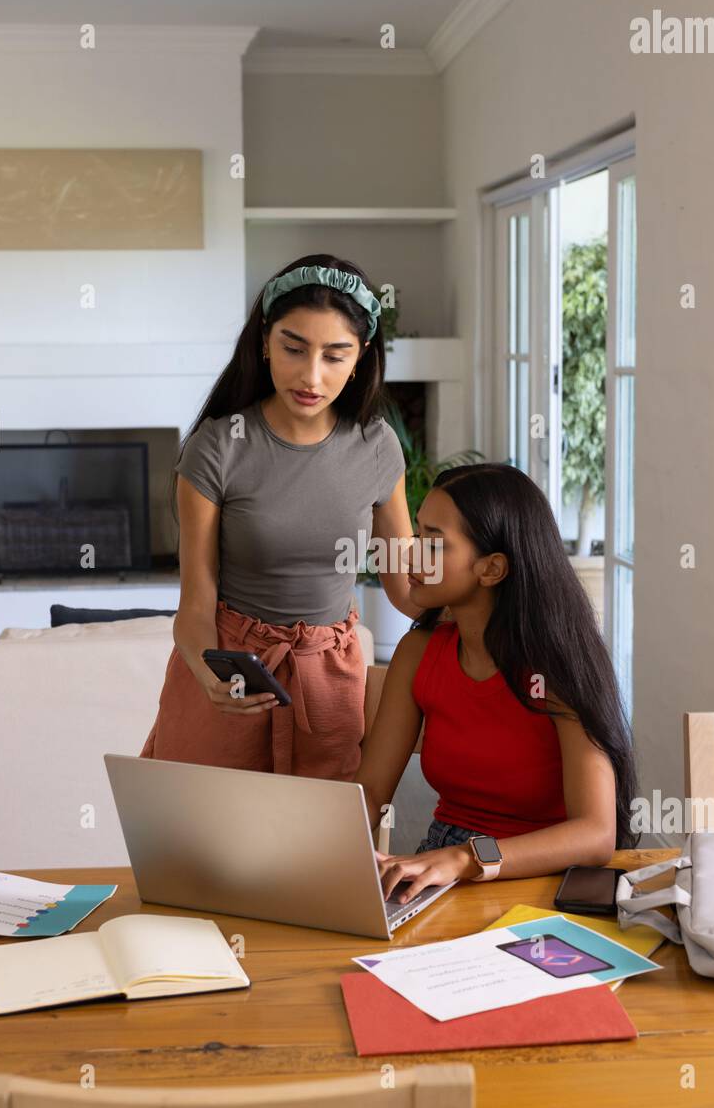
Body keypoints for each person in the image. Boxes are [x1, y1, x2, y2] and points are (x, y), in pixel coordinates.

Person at [141, 254, 417, 778]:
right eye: (294, 348)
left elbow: (404, 585)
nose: (312, 376)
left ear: (359, 359)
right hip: (230, 668)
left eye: (336, 356)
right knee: (207, 844)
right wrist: (208, 674)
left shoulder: (377, 447)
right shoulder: (217, 447)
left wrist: (486, 611)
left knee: (318, 847)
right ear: (264, 342)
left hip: (328, 680)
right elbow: (196, 603)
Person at [351, 462, 639, 902]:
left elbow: (596, 835)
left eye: (433, 542)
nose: (409, 555)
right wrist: (311, 847)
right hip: (442, 865)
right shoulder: (418, 652)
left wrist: (467, 858)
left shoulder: (557, 667)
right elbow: (370, 793)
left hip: (544, 875)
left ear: (491, 569)